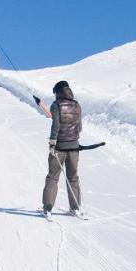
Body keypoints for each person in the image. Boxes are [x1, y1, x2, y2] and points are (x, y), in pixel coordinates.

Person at [42, 80, 84, 219]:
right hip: (74, 147)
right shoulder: (77, 105)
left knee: (53, 177)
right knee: (73, 177)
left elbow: (56, 126)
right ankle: (75, 208)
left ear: (59, 92)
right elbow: (79, 127)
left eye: (55, 93)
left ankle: (48, 209)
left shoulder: (56, 105)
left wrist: (52, 143)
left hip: (59, 147)